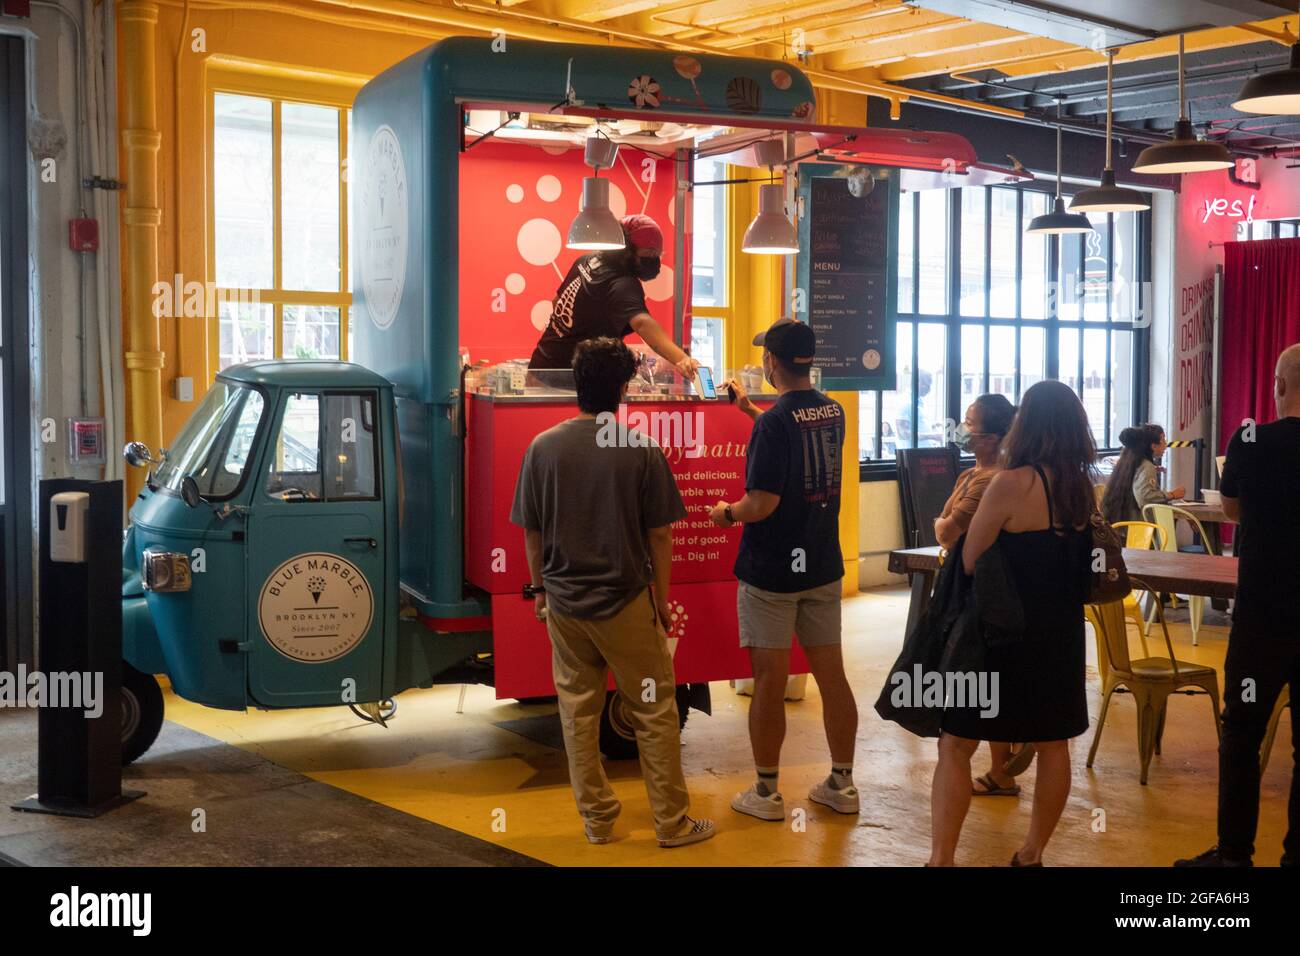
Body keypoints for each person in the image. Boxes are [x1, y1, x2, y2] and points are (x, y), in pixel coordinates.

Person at [510, 336, 714, 849]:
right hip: (625, 604)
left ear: (576, 385)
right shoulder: (640, 450)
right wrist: (662, 602)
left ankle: (598, 821)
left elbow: (532, 532)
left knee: (578, 712)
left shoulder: (542, 448)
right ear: (623, 388)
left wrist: (539, 592)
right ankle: (671, 823)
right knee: (652, 708)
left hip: (563, 604)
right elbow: (660, 535)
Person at [929, 380, 1094, 866]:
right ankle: (1032, 852)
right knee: (1053, 742)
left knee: (956, 742)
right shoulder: (1081, 489)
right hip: (1059, 633)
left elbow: (971, 557)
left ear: (1027, 425)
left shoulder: (1010, 483)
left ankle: (941, 859)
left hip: (998, 635)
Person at [707, 317, 859, 821]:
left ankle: (768, 794)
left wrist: (725, 513)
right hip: (823, 565)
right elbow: (800, 447)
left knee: (769, 680)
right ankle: (842, 783)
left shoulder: (776, 423)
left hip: (771, 572)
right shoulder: (832, 411)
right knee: (831, 675)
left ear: (772, 361)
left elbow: (762, 503)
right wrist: (751, 410)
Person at [1176, 344, 1300, 868]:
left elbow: (1229, 509)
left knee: (1242, 733)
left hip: (1262, 615)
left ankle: (1233, 856)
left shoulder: (1249, 438)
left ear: (1277, 385)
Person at [932, 393, 1027, 799]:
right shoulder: (974, 474)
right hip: (978, 591)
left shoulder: (989, 479)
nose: (963, 432)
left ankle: (994, 753)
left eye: (970, 425)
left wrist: (943, 521)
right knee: (993, 682)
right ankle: (1001, 771)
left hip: (978, 596)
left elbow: (945, 530)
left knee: (978, 684)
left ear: (992, 437)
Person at [528, 214, 699, 379]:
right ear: (626, 250)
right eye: (649, 253)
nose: (655, 261)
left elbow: (557, 301)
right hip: (564, 377)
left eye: (658, 255)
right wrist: (682, 359)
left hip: (540, 364)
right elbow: (642, 324)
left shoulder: (586, 260)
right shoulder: (623, 283)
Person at [1100, 423, 1185, 525]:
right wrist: (1172, 495)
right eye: (1163, 441)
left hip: (1119, 524)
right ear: (1153, 446)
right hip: (1137, 528)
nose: (1165, 445)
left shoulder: (1128, 461)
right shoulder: (1146, 466)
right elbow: (1145, 497)